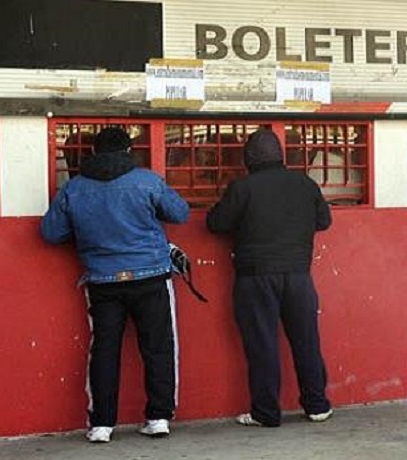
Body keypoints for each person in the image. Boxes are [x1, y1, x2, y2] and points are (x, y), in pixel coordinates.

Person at [40, 127, 189, 443]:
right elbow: (180, 213)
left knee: (104, 351)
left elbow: (51, 233)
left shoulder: (74, 188)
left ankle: (102, 425)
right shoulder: (146, 180)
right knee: (159, 348)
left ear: (93, 152)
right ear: (128, 150)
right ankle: (159, 417)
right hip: (151, 277)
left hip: (103, 281)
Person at [206, 128, 334, 428]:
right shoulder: (304, 183)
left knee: (262, 344)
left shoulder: (242, 187)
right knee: (306, 341)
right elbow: (324, 221)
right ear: (281, 156)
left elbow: (217, 223)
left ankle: (266, 412)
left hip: (256, 277)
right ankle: (317, 405)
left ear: (248, 158)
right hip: (299, 276)